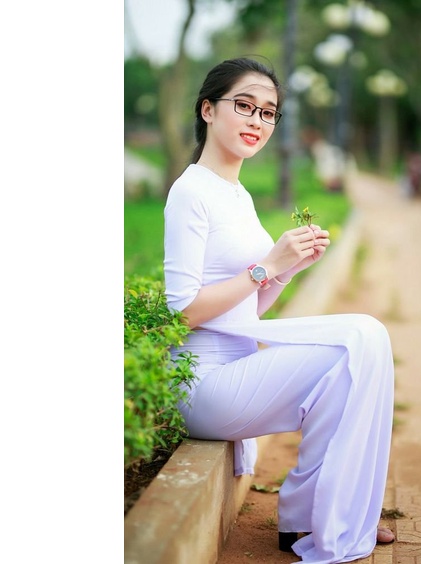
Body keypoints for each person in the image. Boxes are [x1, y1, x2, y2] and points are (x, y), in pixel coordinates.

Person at [164, 57, 395, 564]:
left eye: (268, 112)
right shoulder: (190, 192)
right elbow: (182, 315)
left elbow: (249, 306)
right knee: (359, 337)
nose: (257, 121)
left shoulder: (238, 195)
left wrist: (288, 268)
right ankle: (327, 516)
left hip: (239, 367)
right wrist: (266, 265)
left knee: (358, 353)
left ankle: (315, 516)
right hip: (203, 383)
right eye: (244, 106)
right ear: (208, 109)